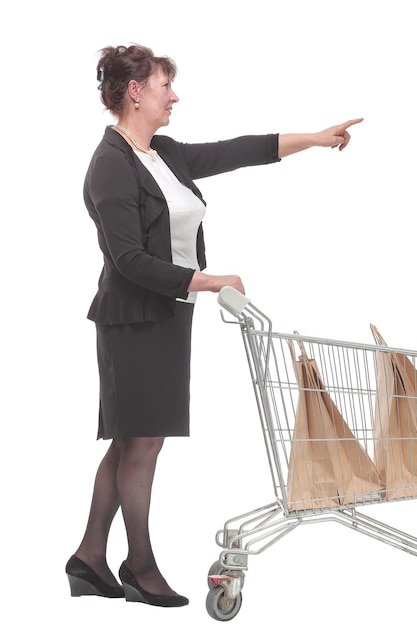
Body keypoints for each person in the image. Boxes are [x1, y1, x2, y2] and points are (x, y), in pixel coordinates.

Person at [65, 43, 363, 608]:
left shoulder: (161, 153)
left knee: (134, 438)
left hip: (168, 316)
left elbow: (236, 150)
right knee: (143, 441)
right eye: (163, 87)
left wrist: (316, 139)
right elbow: (128, 260)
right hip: (132, 320)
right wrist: (208, 279)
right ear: (135, 93)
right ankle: (140, 566)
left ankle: (88, 558)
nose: (173, 96)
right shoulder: (110, 164)